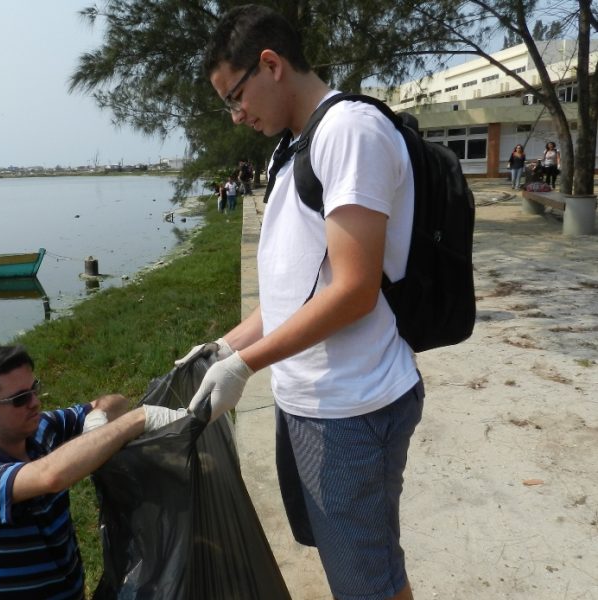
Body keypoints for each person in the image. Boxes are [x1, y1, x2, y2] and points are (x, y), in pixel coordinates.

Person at [179, 5, 424, 599]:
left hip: (351, 408)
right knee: (360, 570)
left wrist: (247, 365)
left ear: (271, 65)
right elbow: (296, 294)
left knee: (367, 581)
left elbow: (354, 291)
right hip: (310, 403)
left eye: (235, 97)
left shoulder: (349, 132)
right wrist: (225, 347)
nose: (237, 116)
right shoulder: (291, 148)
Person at [0, 343, 184, 600]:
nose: (35, 402)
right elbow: (51, 475)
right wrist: (139, 419)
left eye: (34, 388)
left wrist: (98, 416)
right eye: (19, 399)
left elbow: (116, 403)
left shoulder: (41, 429)